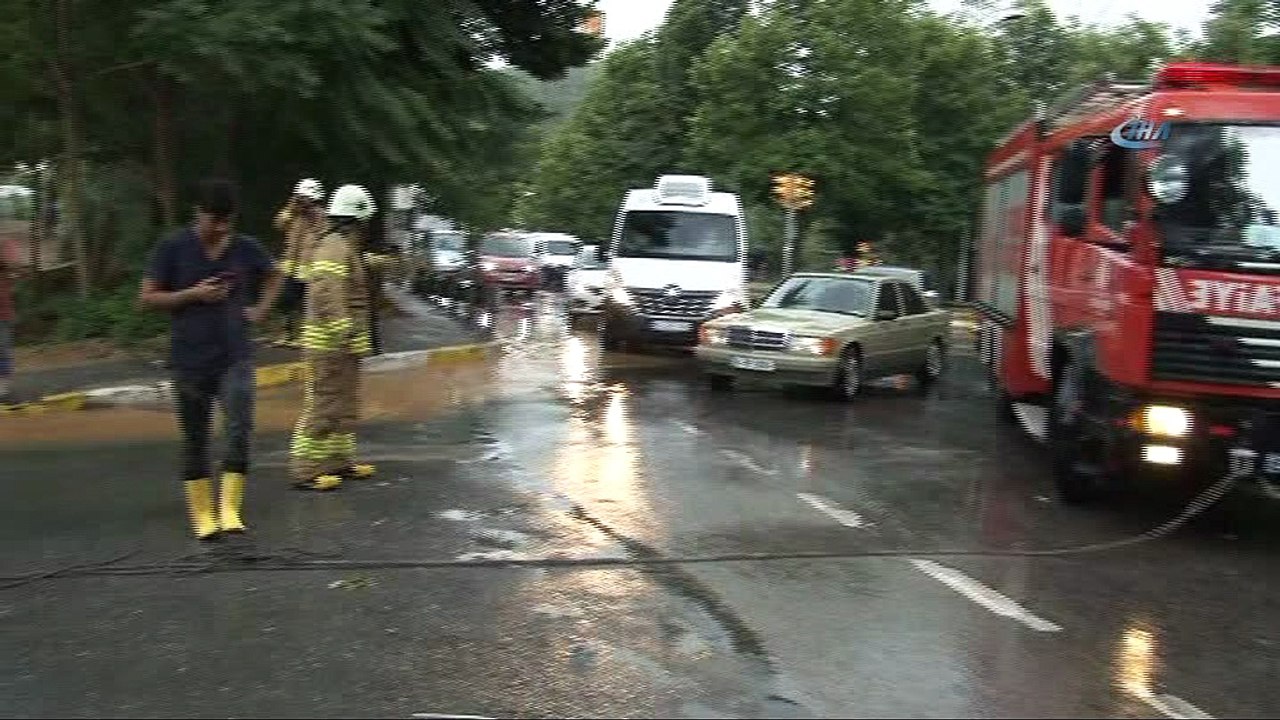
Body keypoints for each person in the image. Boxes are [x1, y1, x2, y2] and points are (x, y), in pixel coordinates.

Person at [138, 178, 284, 540]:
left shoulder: (245, 247)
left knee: (239, 427)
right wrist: (192, 294)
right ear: (198, 213)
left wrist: (261, 309)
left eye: (227, 222)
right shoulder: (173, 247)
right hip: (189, 359)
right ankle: (203, 514)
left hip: (235, 355)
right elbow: (147, 298)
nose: (220, 230)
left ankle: (230, 508)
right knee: (196, 437)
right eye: (213, 221)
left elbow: (275, 275)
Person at [289, 184, 378, 491]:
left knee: (344, 404)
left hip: (344, 342)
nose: (367, 228)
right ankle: (306, 470)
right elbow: (327, 290)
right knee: (324, 403)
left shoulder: (342, 245)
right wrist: (342, 329)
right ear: (356, 218)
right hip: (330, 342)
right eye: (365, 222)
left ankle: (339, 461)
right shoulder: (334, 247)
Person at [273, 178, 326, 347]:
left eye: (306, 197)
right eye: (300, 197)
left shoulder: (320, 214)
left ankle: (305, 335)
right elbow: (279, 225)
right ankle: (286, 334)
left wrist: (312, 213)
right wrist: (291, 208)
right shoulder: (292, 213)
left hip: (309, 265)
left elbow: (321, 235)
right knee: (286, 300)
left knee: (306, 302)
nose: (303, 200)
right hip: (290, 264)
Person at [0, 234, 24, 405]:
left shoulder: (6, 245)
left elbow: (14, 266)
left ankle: (2, 389)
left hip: (3, 315)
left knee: (2, 350)